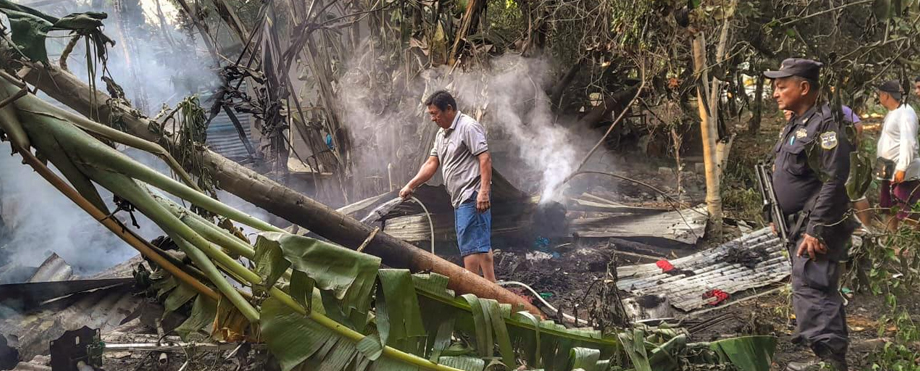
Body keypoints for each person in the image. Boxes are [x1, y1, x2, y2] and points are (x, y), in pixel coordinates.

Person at [765, 58, 855, 371]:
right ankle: (828, 356)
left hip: (817, 225)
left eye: (782, 86)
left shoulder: (826, 126)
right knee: (810, 287)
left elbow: (835, 179)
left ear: (804, 87)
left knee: (814, 288)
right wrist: (776, 214)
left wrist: (816, 228)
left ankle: (830, 362)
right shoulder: (797, 123)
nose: (775, 93)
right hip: (798, 225)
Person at [400, 90, 496, 282]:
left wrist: (484, 192)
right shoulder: (441, 135)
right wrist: (411, 185)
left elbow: (484, 158)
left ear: (449, 109)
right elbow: (431, 163)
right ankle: (492, 286)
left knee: (470, 247)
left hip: (471, 194)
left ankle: (475, 289)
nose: (433, 118)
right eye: (431, 114)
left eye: (435, 113)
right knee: (479, 243)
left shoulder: (468, 127)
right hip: (460, 197)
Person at [875, 80, 920, 231]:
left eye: (880, 94)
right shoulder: (892, 113)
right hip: (887, 166)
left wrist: (902, 167)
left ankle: (913, 241)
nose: (879, 97)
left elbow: (909, 141)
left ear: (886, 95)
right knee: (889, 207)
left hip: (903, 170)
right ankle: (890, 239)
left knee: (908, 211)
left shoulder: (906, 112)